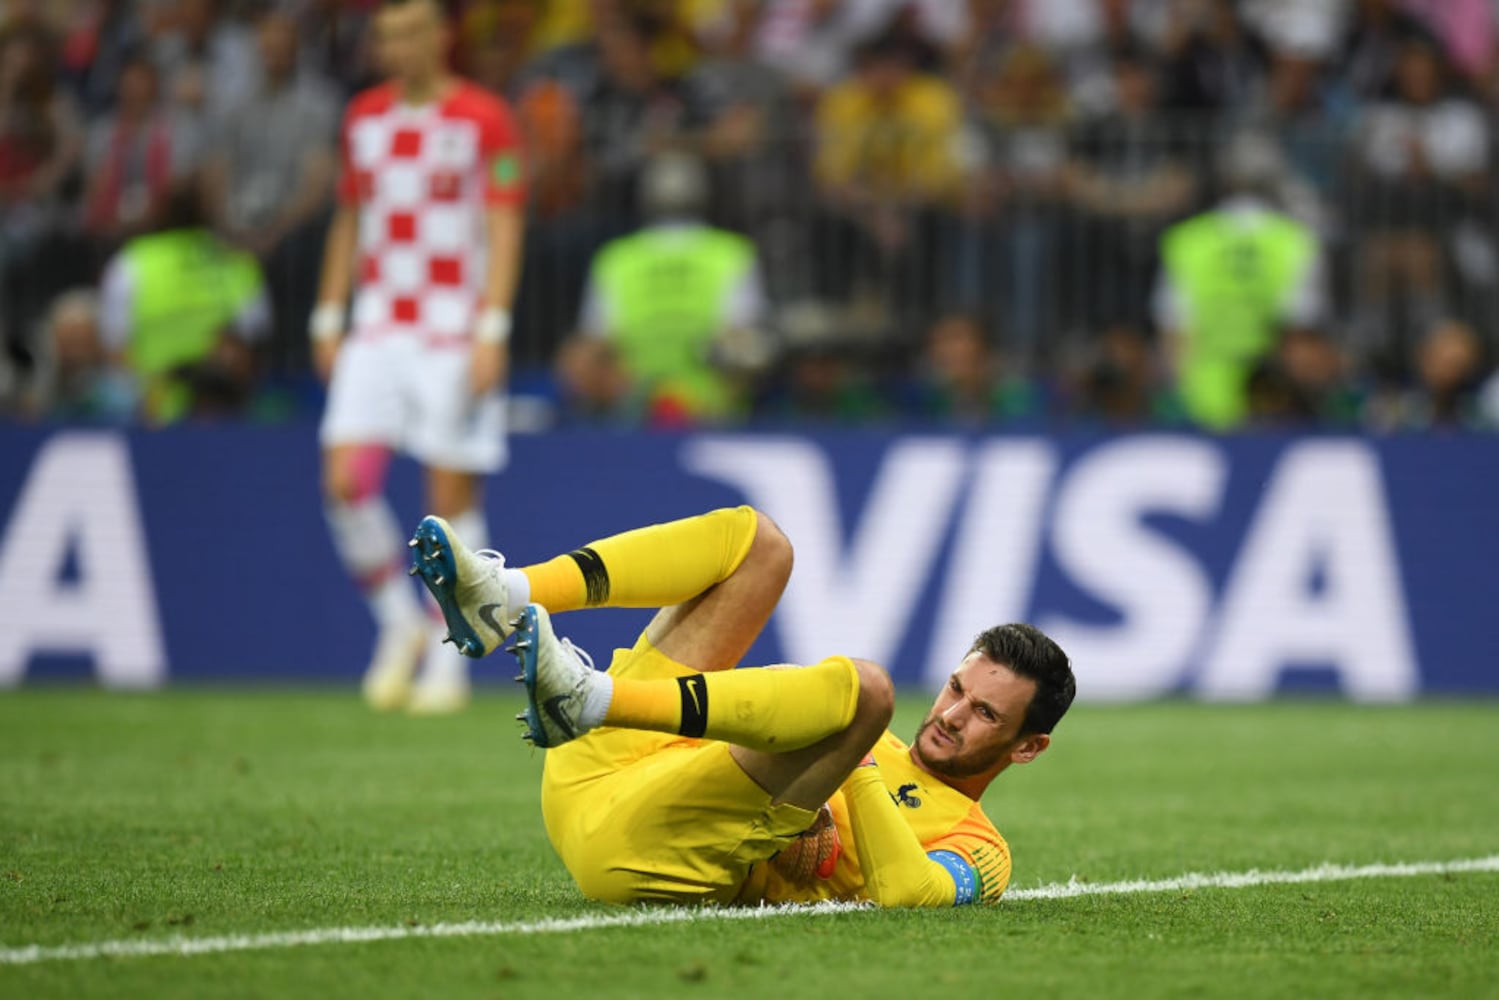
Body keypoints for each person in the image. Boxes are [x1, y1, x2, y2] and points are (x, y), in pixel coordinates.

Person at [408, 506, 1075, 907]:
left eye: (986, 714)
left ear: (1026, 747)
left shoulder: (979, 848)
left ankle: (588, 698)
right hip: (601, 764)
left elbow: (911, 894)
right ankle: (507, 595)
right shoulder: (870, 741)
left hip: (650, 850)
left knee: (866, 691)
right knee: (760, 544)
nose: (952, 715)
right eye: (957, 689)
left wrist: (851, 765)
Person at [311, 0, 526, 715]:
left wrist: (492, 326)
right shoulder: (364, 118)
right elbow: (350, 216)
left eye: (408, 32)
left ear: (440, 36)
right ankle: (398, 624)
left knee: (449, 498)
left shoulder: (483, 117)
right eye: (384, 35)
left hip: (453, 328)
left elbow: (503, 222)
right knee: (344, 483)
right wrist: (327, 311)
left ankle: (449, 653)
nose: (394, 46)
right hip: (378, 326)